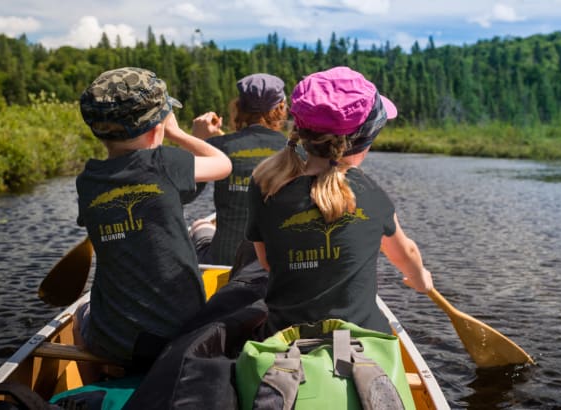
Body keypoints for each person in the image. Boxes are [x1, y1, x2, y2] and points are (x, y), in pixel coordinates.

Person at [245, 66, 434, 334]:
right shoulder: (370, 193)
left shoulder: (265, 184)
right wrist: (420, 279)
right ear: (365, 138)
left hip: (284, 335)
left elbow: (267, 262)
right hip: (362, 340)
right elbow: (407, 254)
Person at [73, 67, 231, 382]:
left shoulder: (87, 181)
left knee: (79, 317)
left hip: (116, 342)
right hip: (180, 334)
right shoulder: (165, 164)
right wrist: (179, 135)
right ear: (156, 129)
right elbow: (224, 164)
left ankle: (96, 385)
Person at [189, 73, 290, 265]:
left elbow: (187, 191)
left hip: (226, 259)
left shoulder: (218, 147)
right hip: (276, 260)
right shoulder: (295, 151)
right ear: (281, 109)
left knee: (200, 224)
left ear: (239, 107)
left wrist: (198, 142)